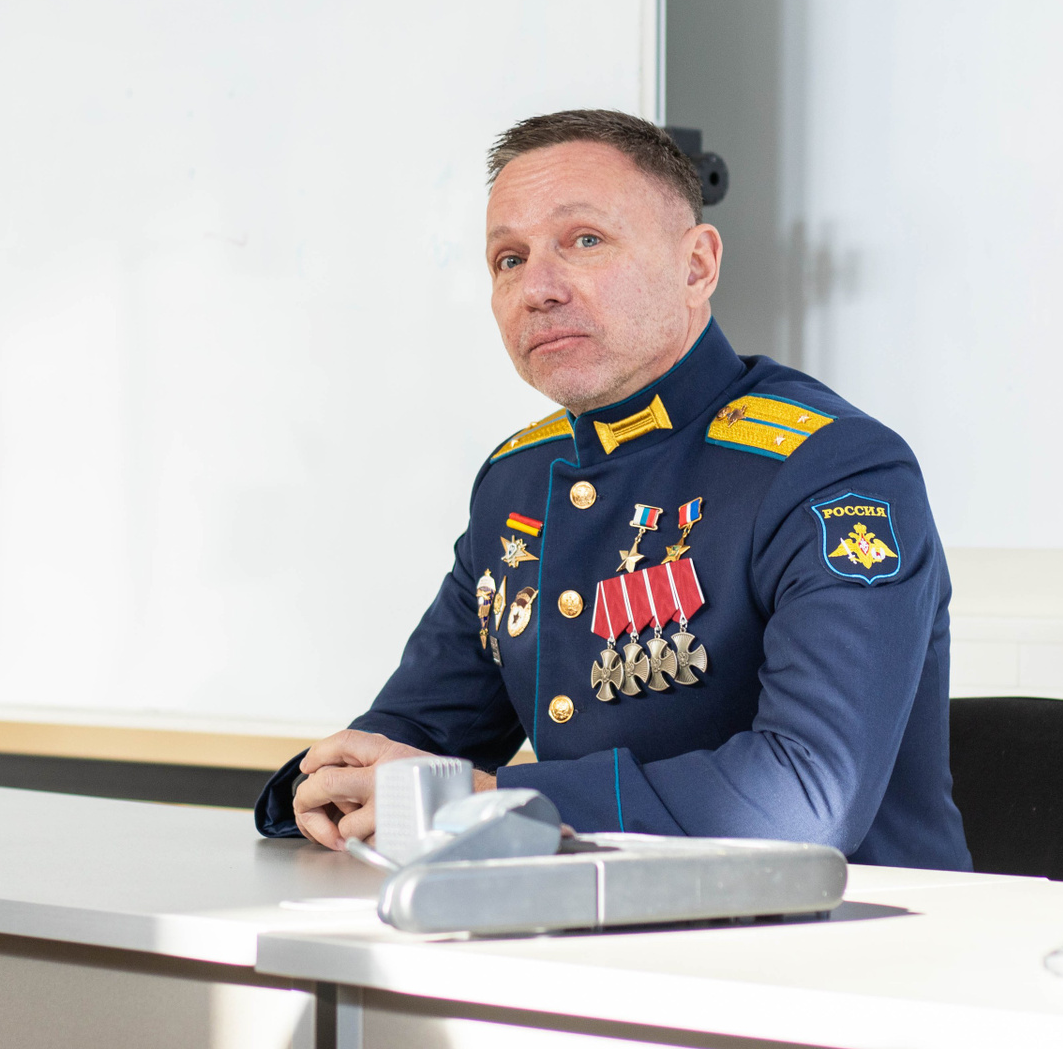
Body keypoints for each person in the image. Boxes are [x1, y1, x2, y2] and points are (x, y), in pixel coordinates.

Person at [253, 109, 971, 869]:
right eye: (508, 259)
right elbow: (416, 736)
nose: (537, 289)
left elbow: (805, 797)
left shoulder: (830, 468)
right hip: (600, 918)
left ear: (696, 267)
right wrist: (331, 785)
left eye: (585, 241)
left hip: (852, 926)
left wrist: (498, 800)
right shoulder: (517, 482)